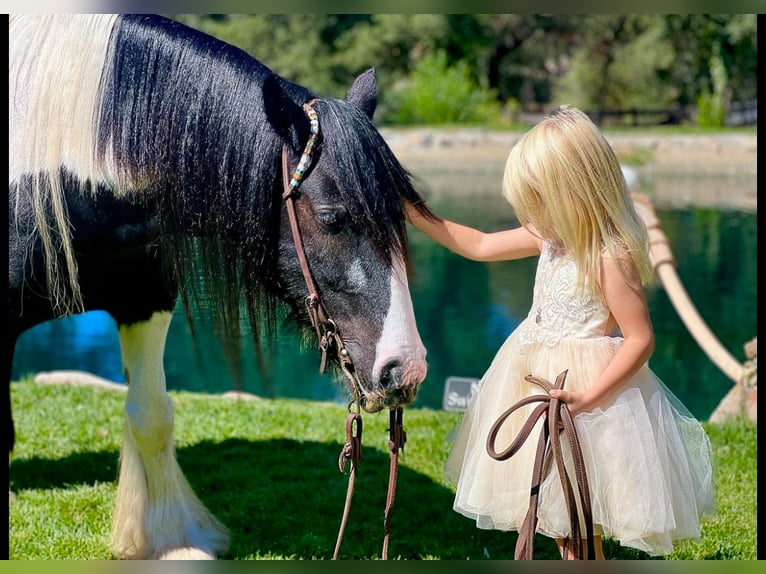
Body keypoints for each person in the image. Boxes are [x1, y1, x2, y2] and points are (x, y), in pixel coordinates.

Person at [404, 105, 715, 559]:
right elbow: (481, 244)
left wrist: (589, 398)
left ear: (575, 190)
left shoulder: (608, 254)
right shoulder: (551, 237)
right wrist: (412, 212)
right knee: (556, 515)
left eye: (539, 200)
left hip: (584, 395)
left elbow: (640, 339)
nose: (532, 213)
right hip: (535, 376)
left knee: (579, 512)